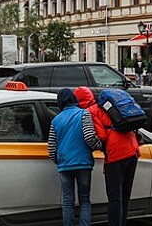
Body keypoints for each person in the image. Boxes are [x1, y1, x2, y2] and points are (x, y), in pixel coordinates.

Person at [77, 86, 139, 226]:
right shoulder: (106, 107)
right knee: (125, 196)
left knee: (114, 198)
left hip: (116, 156)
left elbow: (102, 136)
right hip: (132, 151)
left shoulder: (90, 112)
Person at [48, 88, 102, 226]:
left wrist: (59, 160)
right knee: (84, 200)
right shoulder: (84, 114)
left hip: (64, 165)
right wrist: (98, 145)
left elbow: (51, 148)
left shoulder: (55, 120)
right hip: (83, 163)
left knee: (67, 200)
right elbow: (89, 136)